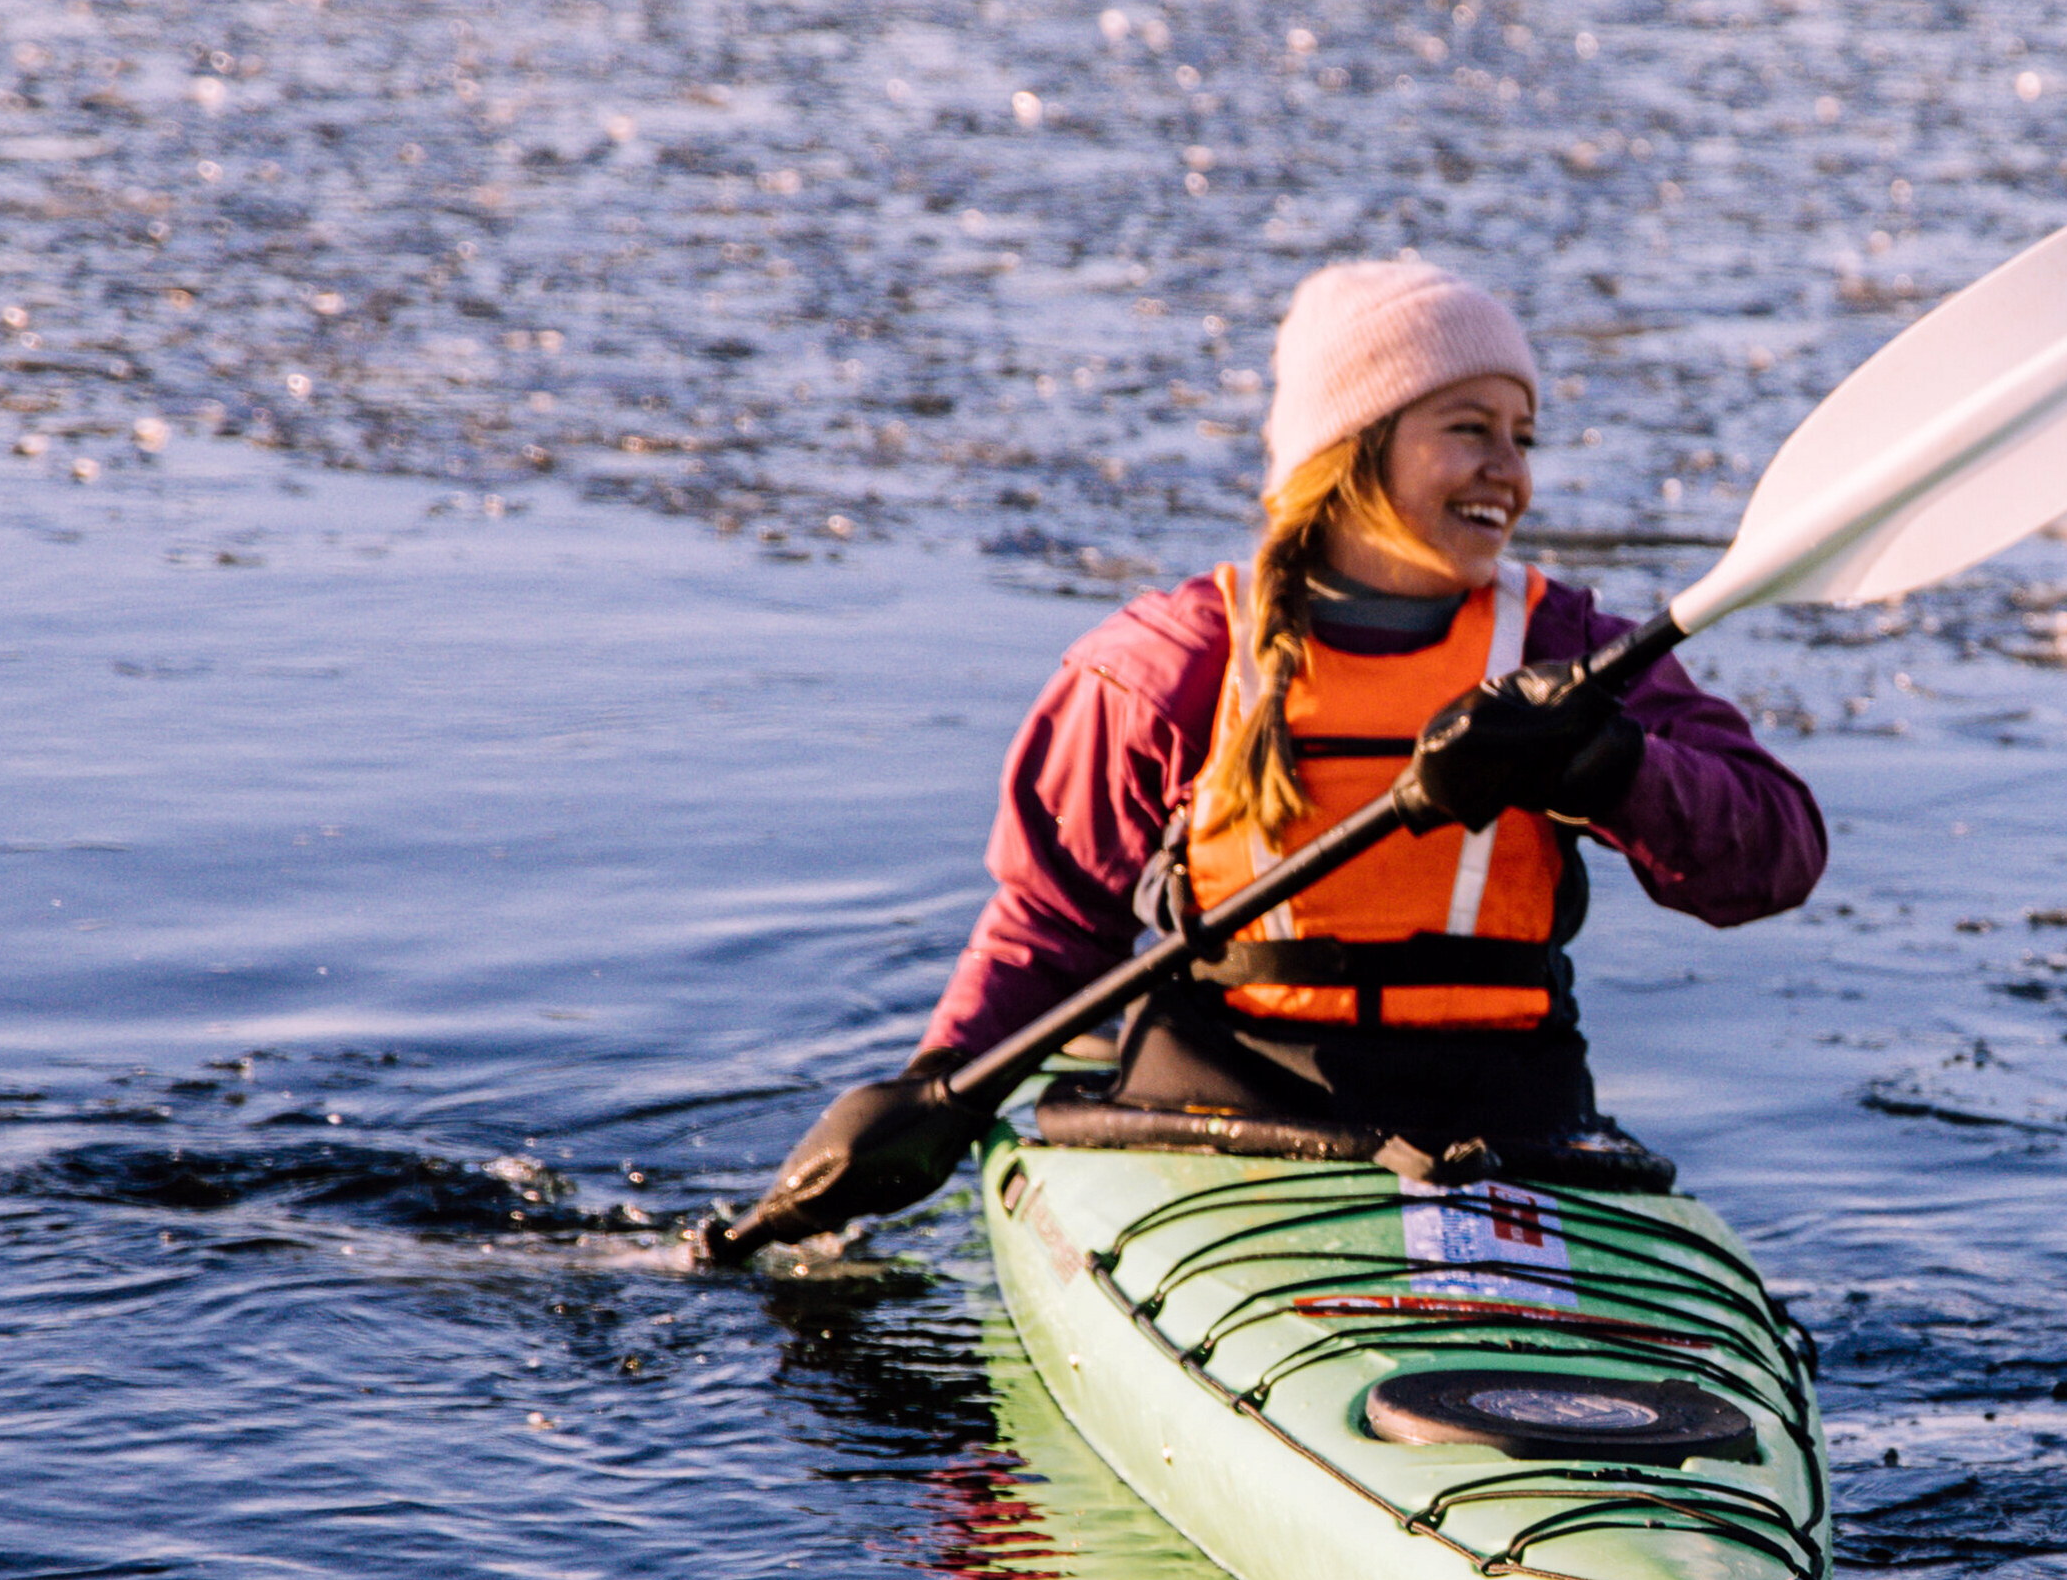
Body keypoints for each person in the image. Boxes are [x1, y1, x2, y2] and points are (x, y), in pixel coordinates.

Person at [697, 257, 1823, 1260]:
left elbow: (1775, 853)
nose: (1510, 473)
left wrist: (1605, 766)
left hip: (1506, 1126)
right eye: (1469, 428)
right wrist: (933, 1087)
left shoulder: (1566, 655)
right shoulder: (1170, 665)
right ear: (1353, 449)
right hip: (1217, 1115)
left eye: (1523, 437)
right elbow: (1050, 931)